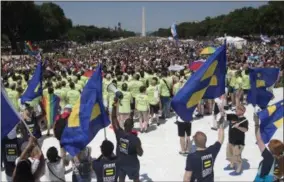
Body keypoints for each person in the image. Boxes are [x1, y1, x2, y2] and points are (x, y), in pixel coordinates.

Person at [112, 98, 143, 182]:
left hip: (120, 162)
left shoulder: (119, 133)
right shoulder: (136, 139)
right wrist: (138, 147)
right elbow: (140, 154)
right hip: (132, 164)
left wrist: (114, 105)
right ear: (132, 127)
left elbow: (114, 118)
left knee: (121, 179)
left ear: (124, 125)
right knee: (136, 179)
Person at [183, 117, 225, 182]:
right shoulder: (212, 151)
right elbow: (220, 139)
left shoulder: (192, 157)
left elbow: (187, 178)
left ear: (195, 142)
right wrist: (221, 125)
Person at [254, 114, 284, 181]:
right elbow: (277, 175)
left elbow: (259, 140)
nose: (268, 145)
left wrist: (256, 124)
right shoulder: (282, 159)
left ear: (273, 149)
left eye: (270, 144)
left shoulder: (269, 157)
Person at [223, 105, 248, 175]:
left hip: (238, 143)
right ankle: (232, 165)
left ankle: (238, 170)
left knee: (237, 156)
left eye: (238, 109)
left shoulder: (244, 120)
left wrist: (238, 126)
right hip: (231, 141)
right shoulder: (233, 116)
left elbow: (245, 130)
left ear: (242, 111)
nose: (236, 110)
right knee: (230, 154)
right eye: (236, 109)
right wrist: (222, 111)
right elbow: (225, 116)